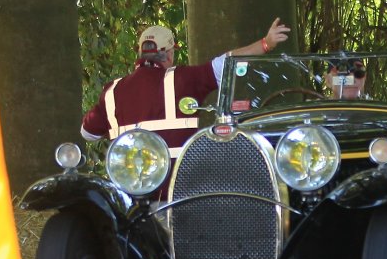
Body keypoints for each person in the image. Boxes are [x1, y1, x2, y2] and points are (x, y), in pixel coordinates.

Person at [80, 18, 291, 156]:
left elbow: (87, 133)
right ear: (169, 54)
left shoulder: (112, 91)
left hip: (129, 199)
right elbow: (226, 62)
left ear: (140, 53)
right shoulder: (183, 79)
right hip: (176, 193)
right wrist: (266, 43)